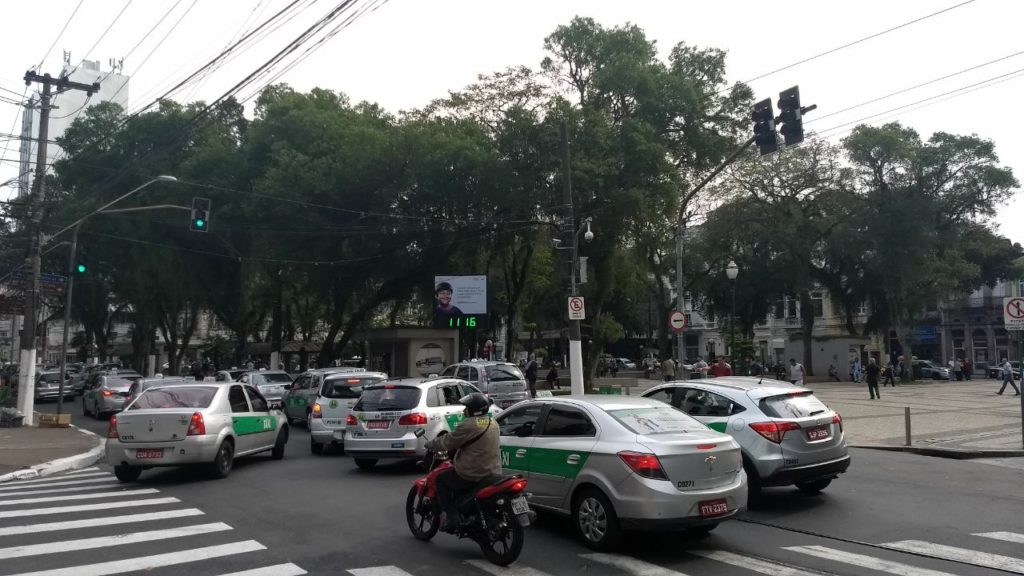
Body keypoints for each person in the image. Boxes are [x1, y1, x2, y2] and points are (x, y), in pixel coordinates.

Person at [424, 393, 501, 532]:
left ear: (474, 410)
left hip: (471, 473)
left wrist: (431, 444)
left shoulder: (469, 425)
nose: (464, 410)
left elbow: (448, 441)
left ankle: (453, 518)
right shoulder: (493, 422)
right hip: (492, 472)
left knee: (441, 480)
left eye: (467, 408)